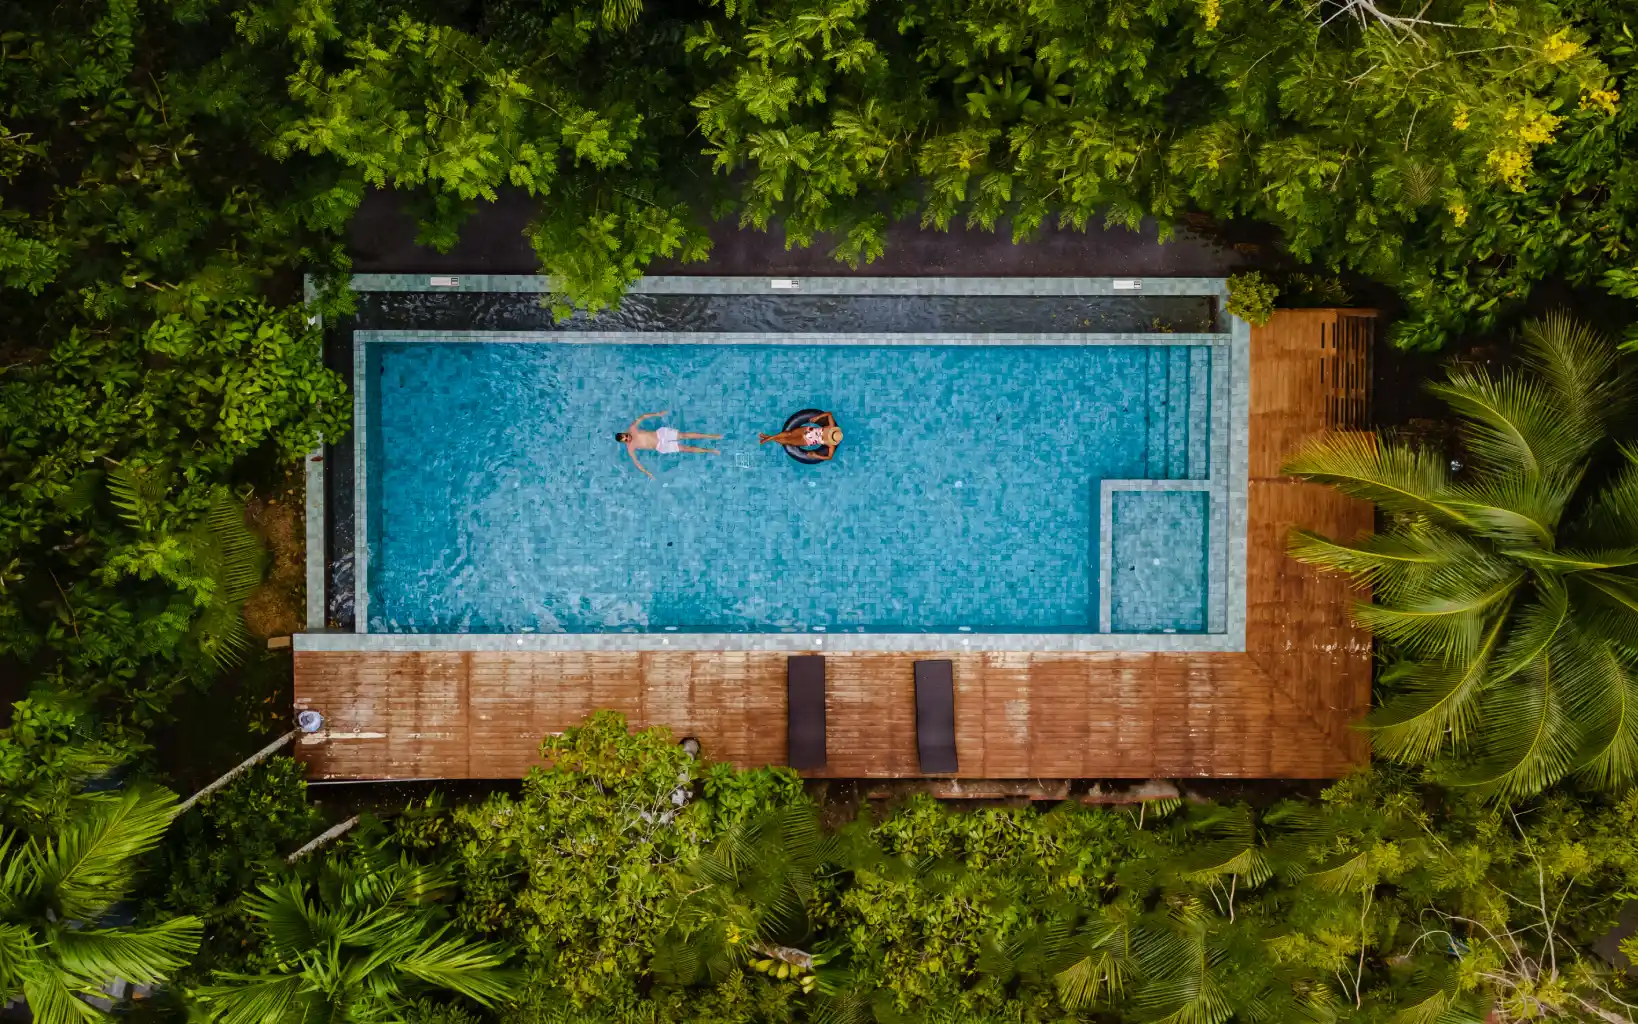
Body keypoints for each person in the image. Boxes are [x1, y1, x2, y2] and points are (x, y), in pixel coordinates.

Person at [615, 411, 722, 479]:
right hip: (661, 447)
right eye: (626, 439)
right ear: (624, 442)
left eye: (626, 435)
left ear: (625, 433)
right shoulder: (630, 448)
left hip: (661, 434)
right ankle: (711, 451)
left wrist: (657, 414)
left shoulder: (632, 429)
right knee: (685, 448)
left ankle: (711, 436)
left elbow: (643, 417)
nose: (628, 437)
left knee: (684, 436)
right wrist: (647, 473)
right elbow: (636, 463)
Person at [759, 411, 843, 460]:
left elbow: (829, 457)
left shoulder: (831, 444)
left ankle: (768, 437)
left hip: (807, 441)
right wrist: (817, 418)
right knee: (789, 434)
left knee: (789, 441)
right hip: (806, 430)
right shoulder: (831, 427)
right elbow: (829, 414)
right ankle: (768, 438)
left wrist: (815, 455)